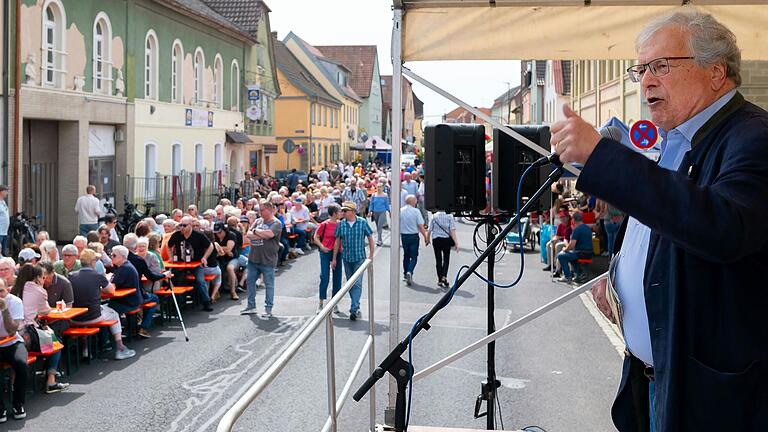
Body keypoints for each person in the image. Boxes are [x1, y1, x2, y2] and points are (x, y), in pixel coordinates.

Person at [551, 9, 768, 431]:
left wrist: (601, 157)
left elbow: (721, 227)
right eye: (641, 69)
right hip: (656, 381)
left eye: (661, 66)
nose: (647, 80)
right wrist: (618, 279)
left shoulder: (753, 138)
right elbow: (665, 228)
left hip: (711, 400)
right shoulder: (677, 140)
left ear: (716, 72)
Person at [11, 264, 69, 394]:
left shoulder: (13, 289)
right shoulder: (39, 291)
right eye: (42, 277)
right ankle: (51, 380)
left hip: (13, 333)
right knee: (56, 342)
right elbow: (46, 310)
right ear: (37, 277)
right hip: (27, 334)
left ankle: (13, 383)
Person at [69, 249, 135, 360]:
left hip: (74, 318)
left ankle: (85, 349)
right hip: (93, 316)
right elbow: (111, 291)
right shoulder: (97, 275)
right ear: (92, 262)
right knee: (114, 314)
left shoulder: (71, 275)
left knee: (88, 319)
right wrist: (98, 289)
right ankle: (120, 348)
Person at [331, 201, 374, 321]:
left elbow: (370, 237)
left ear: (353, 212)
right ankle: (356, 304)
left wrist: (371, 256)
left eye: (345, 211)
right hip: (347, 258)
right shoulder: (341, 224)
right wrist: (334, 258)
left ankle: (354, 308)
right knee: (350, 284)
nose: (343, 213)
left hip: (359, 257)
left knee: (358, 283)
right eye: (342, 211)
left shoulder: (362, 222)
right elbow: (337, 241)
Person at [241, 202, 282, 318]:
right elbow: (248, 233)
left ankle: (268, 308)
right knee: (250, 282)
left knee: (269, 285)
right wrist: (258, 233)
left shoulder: (276, 223)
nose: (260, 212)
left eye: (262, 210)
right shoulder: (258, 221)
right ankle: (251, 306)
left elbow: (269, 234)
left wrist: (256, 232)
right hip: (253, 258)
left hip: (267, 260)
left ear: (269, 210)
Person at [167, 216, 214, 312]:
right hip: (180, 263)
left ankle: (206, 301)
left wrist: (204, 257)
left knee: (200, 281)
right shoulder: (177, 235)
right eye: (180, 225)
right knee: (176, 279)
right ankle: (178, 303)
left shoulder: (198, 235)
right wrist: (171, 256)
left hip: (196, 263)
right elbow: (169, 246)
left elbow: (210, 246)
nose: (182, 228)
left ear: (191, 225)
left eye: (184, 225)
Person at [0, 278, 29, 422]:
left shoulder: (15, 302)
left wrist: (5, 310)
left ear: (8, 290)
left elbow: (12, 330)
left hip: (12, 342)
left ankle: (18, 404)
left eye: (1, 291)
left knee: (22, 365)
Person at [314, 204, 342, 312]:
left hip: (338, 252)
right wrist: (321, 246)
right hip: (326, 252)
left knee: (337, 278)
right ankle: (321, 303)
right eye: (339, 211)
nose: (341, 213)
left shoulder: (341, 224)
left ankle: (335, 303)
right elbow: (316, 236)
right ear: (334, 213)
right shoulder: (324, 225)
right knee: (324, 276)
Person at [400, 195, 430, 286]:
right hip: (413, 236)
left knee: (406, 255)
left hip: (404, 235)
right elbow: (420, 226)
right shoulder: (416, 211)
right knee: (414, 256)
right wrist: (425, 237)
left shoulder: (401, 211)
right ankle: (410, 271)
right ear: (413, 202)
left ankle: (405, 273)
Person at [555, 212, 593, 283]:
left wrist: (565, 249)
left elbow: (572, 244)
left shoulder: (577, 230)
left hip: (580, 252)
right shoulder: (588, 228)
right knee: (571, 257)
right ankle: (578, 275)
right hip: (589, 253)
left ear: (574, 220)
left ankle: (567, 276)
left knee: (561, 256)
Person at [428, 211, 459, 288]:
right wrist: (456, 243)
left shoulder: (434, 216)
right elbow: (452, 231)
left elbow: (430, 229)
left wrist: (427, 239)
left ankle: (439, 279)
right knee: (446, 259)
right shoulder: (449, 216)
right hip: (446, 240)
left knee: (438, 259)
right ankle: (444, 276)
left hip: (436, 239)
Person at [213, 221, 239, 301]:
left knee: (230, 268)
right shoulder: (214, 236)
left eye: (220, 232)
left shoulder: (231, 235)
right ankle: (216, 291)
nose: (218, 234)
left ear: (224, 230)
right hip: (220, 258)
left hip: (232, 258)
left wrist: (218, 247)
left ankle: (233, 291)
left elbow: (229, 249)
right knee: (214, 268)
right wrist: (224, 250)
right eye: (216, 232)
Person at [543, 212, 572, 276]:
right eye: (561, 218)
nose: (563, 219)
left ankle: (557, 266)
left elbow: (566, 238)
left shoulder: (570, 226)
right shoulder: (560, 226)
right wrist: (553, 240)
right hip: (560, 240)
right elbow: (557, 235)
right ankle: (550, 264)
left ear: (567, 218)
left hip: (567, 242)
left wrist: (558, 238)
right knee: (549, 244)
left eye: (564, 217)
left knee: (558, 245)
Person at [0, 185, 9, 256]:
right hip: (0, 232)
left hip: (4, 232)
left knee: (3, 252)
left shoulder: (3, 202)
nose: (7, 193)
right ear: (1, 192)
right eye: (6, 191)